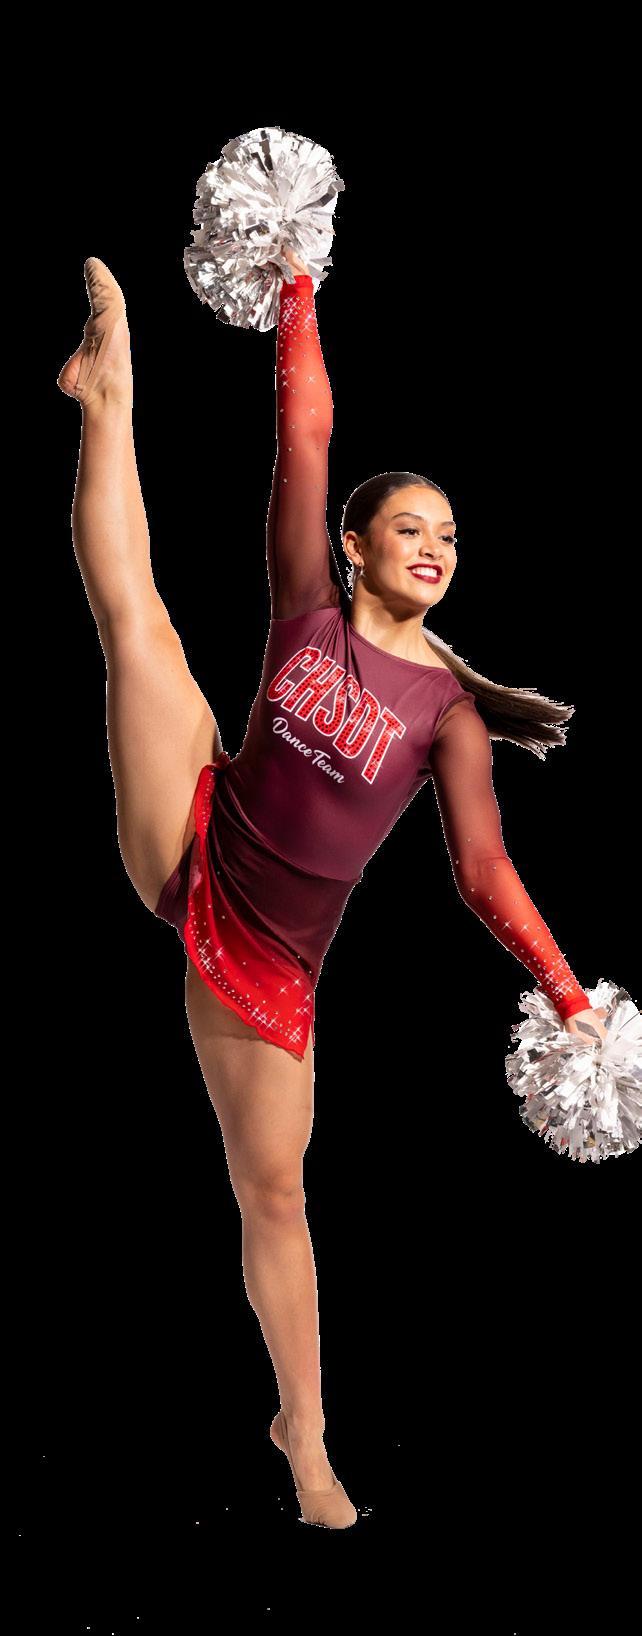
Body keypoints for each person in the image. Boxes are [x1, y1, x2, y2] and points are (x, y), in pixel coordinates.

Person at [57, 252, 606, 1529]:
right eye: (412, 527)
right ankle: (106, 394)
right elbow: (305, 429)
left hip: (267, 965)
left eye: (450, 534)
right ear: (356, 546)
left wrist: (568, 991)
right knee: (138, 622)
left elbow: (482, 871)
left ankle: (302, 1433)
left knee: (275, 1195)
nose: (436, 547)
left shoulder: (447, 715)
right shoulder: (309, 606)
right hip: (194, 827)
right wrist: (297, 280)